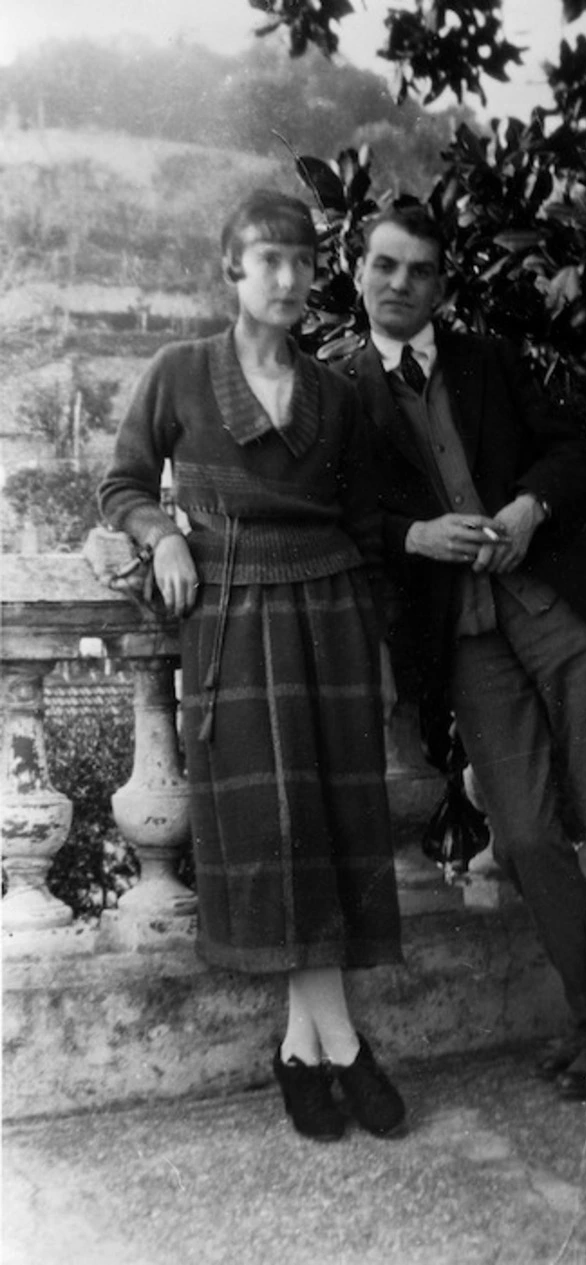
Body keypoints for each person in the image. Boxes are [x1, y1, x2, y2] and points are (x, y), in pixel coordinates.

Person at [99, 189, 406, 1142]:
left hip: (332, 613)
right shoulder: (178, 372)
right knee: (275, 830)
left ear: (318, 276)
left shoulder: (338, 393)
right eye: (266, 261)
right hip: (233, 620)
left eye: (302, 262)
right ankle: (344, 1045)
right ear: (232, 271)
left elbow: (363, 523)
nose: (286, 278)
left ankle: (302, 1049)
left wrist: (380, 643)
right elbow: (119, 482)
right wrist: (160, 533)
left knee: (335, 824)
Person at [340, 204, 586, 1100]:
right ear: (358, 271)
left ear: (441, 284)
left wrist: (528, 507)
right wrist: (415, 536)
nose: (400, 283)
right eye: (385, 265)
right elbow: (345, 518)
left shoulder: (494, 360)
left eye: (420, 270)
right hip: (469, 637)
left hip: (561, 605)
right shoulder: (342, 391)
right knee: (520, 835)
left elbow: (573, 453)